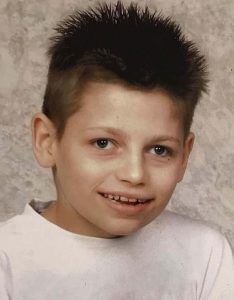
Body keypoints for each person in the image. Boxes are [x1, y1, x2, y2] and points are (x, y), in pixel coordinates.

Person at [0, 1, 233, 299]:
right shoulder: (8, 261)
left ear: (184, 156)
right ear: (47, 141)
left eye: (159, 150)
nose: (134, 174)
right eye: (103, 143)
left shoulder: (206, 255)